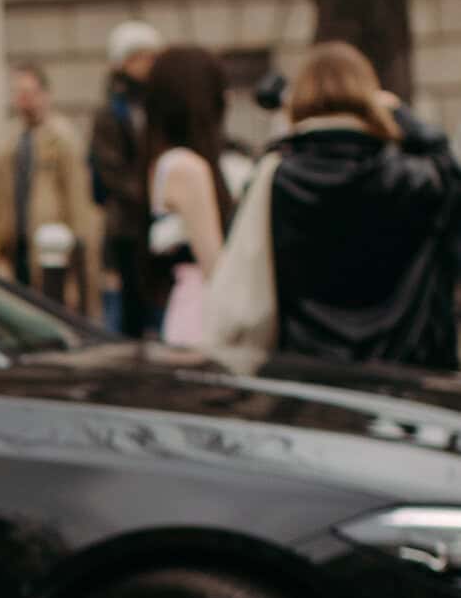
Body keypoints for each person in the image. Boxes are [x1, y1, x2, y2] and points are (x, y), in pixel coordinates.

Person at [204, 40, 461, 371]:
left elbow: (243, 285)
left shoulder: (276, 178)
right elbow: (449, 164)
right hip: (406, 381)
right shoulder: (417, 178)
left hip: (307, 376)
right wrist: (397, 112)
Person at [143, 44, 234, 346]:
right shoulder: (188, 168)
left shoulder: (164, 161)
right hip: (201, 315)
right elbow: (215, 267)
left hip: (183, 308)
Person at [0, 64, 96, 307]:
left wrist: (77, 266)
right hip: (17, 252)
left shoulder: (63, 140)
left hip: (54, 254)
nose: (25, 101)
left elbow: (78, 203)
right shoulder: (8, 145)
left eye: (31, 93)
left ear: (45, 95)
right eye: (19, 94)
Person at [90, 20, 161, 335]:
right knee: (129, 310)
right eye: (141, 57)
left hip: (156, 223)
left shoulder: (155, 105)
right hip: (128, 228)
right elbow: (111, 171)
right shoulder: (111, 113)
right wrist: (149, 194)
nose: (148, 65)